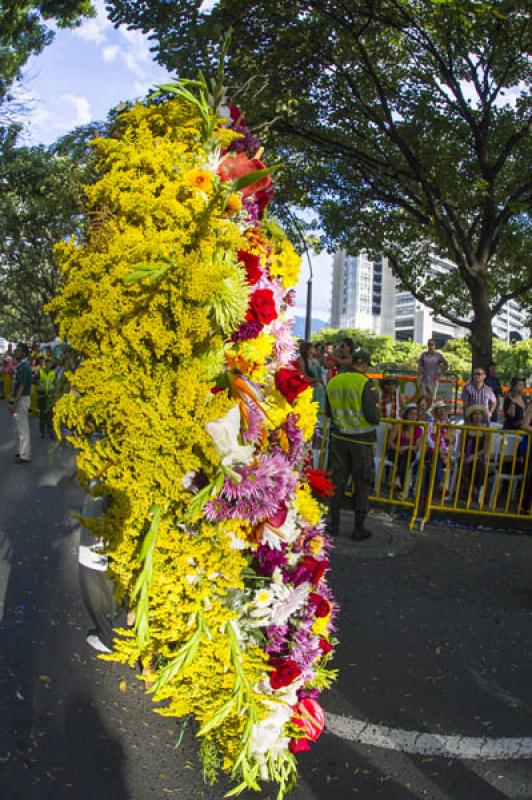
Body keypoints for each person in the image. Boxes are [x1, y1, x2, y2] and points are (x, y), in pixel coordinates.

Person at [325, 350, 380, 540]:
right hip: (361, 441)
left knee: (337, 482)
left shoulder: (334, 382)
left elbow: (328, 412)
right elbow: (372, 415)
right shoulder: (366, 383)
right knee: (362, 483)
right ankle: (358, 528)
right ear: (363, 364)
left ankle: (333, 525)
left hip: (339, 439)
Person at [388, 403, 423, 494]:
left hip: (409, 453)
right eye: (411, 414)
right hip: (395, 451)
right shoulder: (399, 425)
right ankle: (402, 487)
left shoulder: (419, 429)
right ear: (406, 415)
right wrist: (398, 449)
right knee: (405, 458)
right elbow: (390, 442)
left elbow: (416, 447)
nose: (413, 416)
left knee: (407, 455)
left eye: (415, 414)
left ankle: (399, 480)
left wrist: (405, 447)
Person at [459, 405, 491, 502]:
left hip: (479, 455)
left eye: (479, 414)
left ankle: (475, 490)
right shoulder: (466, 428)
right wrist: (465, 455)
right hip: (466, 454)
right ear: (471, 416)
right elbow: (461, 444)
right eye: (475, 414)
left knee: (478, 466)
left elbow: (485, 448)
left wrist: (475, 456)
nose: (477, 416)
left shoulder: (486, 430)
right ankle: (466, 491)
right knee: (465, 465)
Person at [7, 342, 33, 464]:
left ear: (23, 353)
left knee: (23, 428)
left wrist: (14, 403)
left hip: (22, 399)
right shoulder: (21, 365)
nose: (16, 352)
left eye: (18, 350)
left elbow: (22, 387)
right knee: (17, 427)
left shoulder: (25, 367)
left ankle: (25, 455)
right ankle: (20, 451)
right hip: (19, 399)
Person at [424, 400, 453, 495]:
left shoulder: (449, 426)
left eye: (443, 410)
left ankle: (426, 494)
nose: (441, 412)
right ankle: (440, 484)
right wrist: (438, 449)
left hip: (442, 455)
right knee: (434, 455)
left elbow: (452, 442)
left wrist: (445, 451)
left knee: (431, 464)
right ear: (435, 413)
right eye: (439, 410)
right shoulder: (430, 423)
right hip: (431, 451)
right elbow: (428, 439)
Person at [37, 351, 57, 438]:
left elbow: (56, 384)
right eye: (47, 363)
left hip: (51, 397)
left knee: (50, 415)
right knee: (42, 415)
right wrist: (38, 383)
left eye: (50, 363)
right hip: (41, 396)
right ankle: (42, 432)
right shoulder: (40, 371)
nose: (48, 365)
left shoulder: (53, 373)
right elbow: (33, 380)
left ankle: (50, 432)